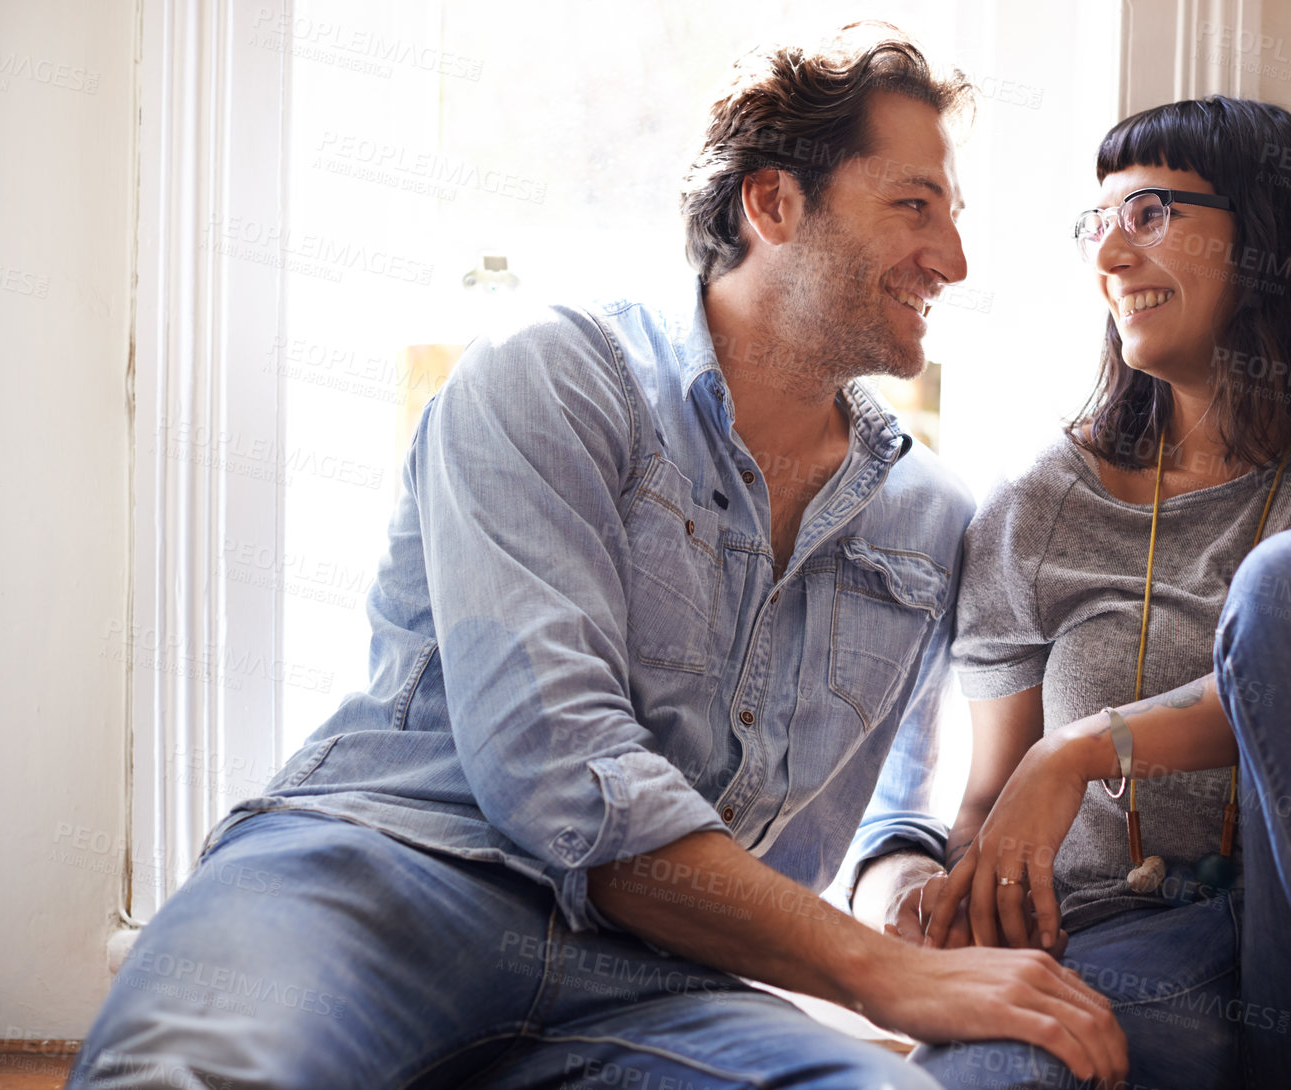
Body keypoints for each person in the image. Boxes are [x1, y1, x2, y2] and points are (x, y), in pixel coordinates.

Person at [65, 25, 1129, 1090]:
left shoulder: (926, 518)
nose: (952, 258)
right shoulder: (556, 381)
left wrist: (905, 890)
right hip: (386, 878)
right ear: (772, 204)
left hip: (664, 978)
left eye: (951, 213)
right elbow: (561, 768)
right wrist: (877, 973)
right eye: (914, 205)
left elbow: (891, 808)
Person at [894, 97, 1291, 1090]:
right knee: (982, 1073)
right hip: (1135, 951)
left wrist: (1082, 747)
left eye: (1150, 212)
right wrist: (943, 908)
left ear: (1273, 239)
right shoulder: (1037, 508)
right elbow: (992, 799)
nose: (1108, 254)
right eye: (1096, 224)